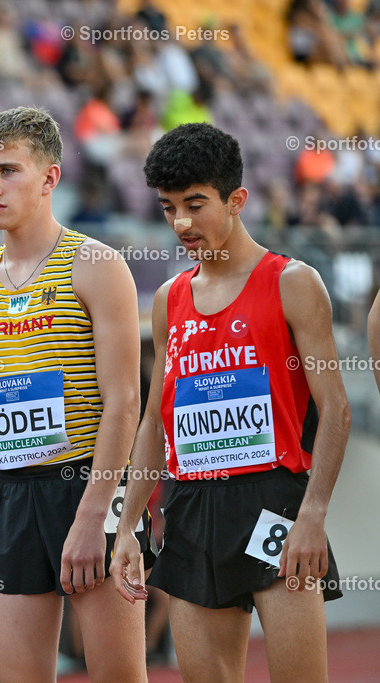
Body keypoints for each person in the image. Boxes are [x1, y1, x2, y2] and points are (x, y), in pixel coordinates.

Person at [109, 122, 350, 682]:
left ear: (237, 199)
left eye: (196, 204)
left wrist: (312, 515)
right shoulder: (169, 299)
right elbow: (153, 422)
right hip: (191, 505)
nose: (182, 224)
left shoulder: (293, 282)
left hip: (275, 503)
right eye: (169, 208)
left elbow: (336, 410)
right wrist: (126, 526)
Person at [0, 106, 151, 682]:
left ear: (50, 178)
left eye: (7, 170)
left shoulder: (96, 264)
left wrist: (93, 513)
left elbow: (125, 402)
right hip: (7, 497)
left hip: (88, 486)